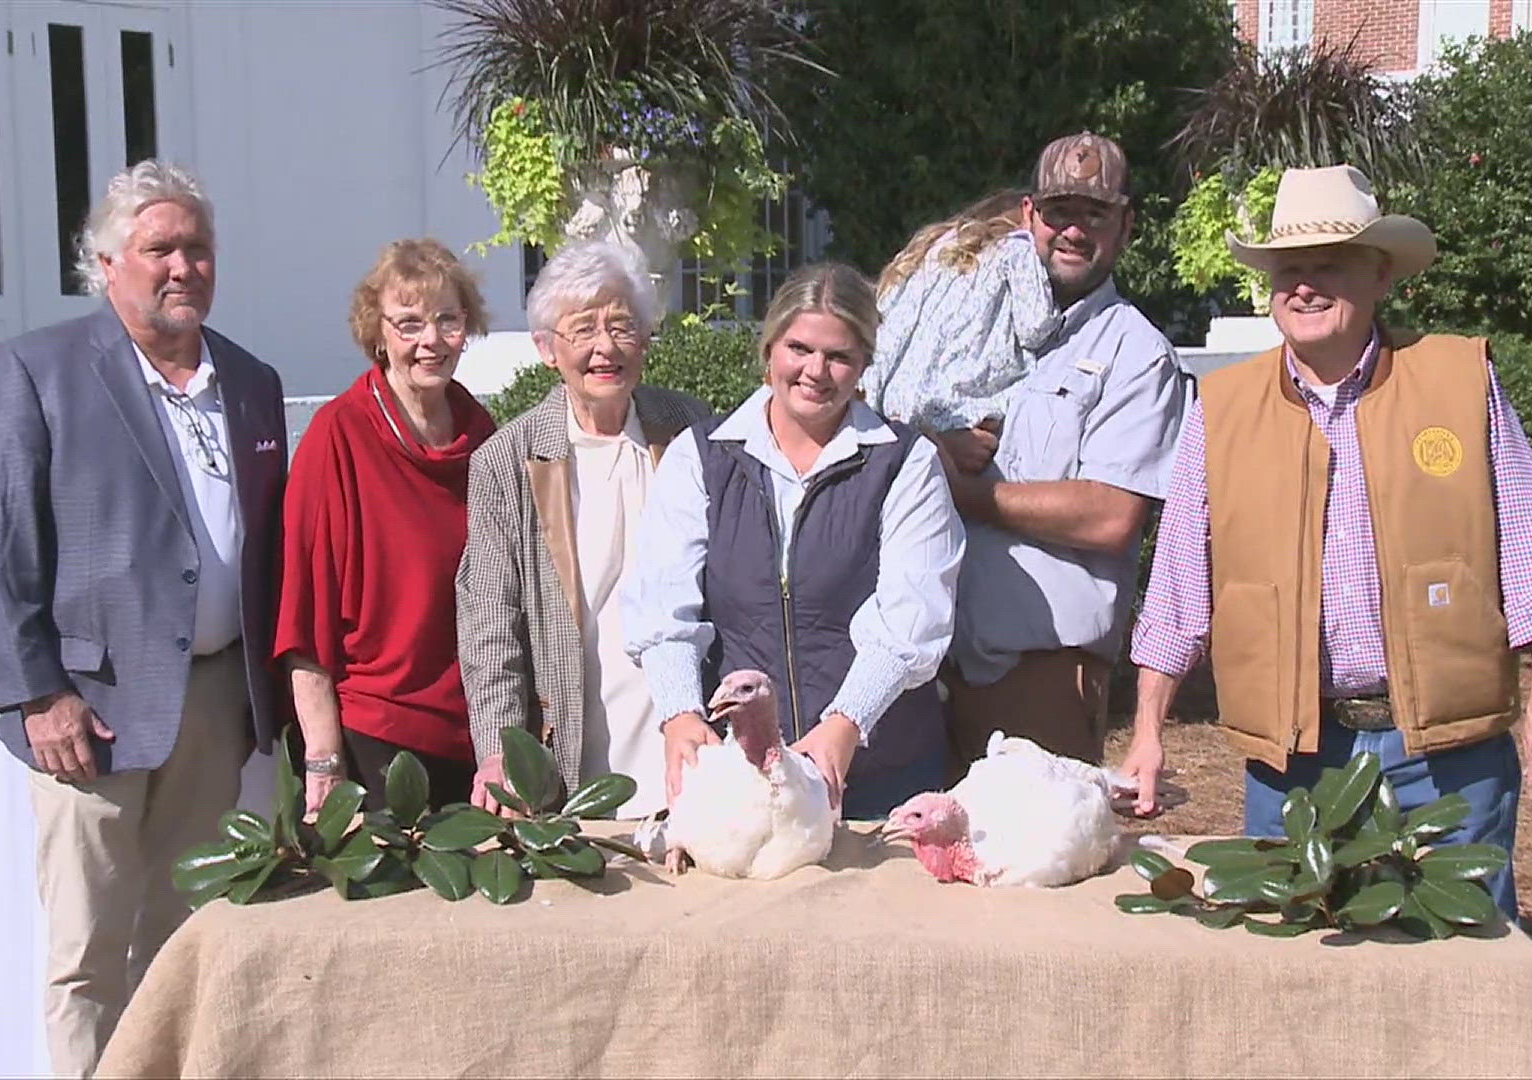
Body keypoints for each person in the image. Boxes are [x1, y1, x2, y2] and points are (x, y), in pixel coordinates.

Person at [1124, 164, 1532, 921]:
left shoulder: (1458, 379)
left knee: (1464, 964)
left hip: (1445, 751)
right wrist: (1147, 732)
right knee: (1299, 967)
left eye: (1329, 264)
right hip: (1295, 757)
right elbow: (1179, 591)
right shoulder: (1221, 410)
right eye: (1288, 269)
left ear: (1380, 275)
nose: (1304, 286)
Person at [0, 160, 286, 1077]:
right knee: (89, 951)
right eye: (159, 248)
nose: (183, 266)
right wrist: (36, 693)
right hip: (89, 711)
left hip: (218, 701)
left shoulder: (253, 382)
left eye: (198, 248)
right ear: (105, 264)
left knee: (188, 935)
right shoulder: (36, 369)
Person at [884, 132, 1191, 775]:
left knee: (1032, 864)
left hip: (1039, 681)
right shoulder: (978, 323)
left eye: (1094, 214)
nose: (1073, 231)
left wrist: (962, 493)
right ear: (1029, 217)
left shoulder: (1136, 354)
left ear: (1126, 225)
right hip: (921, 672)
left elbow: (1111, 515)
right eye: (1059, 214)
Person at [625, 262, 966, 819]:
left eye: (839, 356)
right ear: (769, 349)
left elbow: (913, 618)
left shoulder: (907, 463)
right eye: (799, 348)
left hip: (881, 772)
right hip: (749, 776)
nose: (816, 371)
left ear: (863, 366)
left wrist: (847, 722)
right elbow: (663, 604)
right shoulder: (701, 456)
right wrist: (682, 713)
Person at [457, 241, 710, 820]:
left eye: (621, 325)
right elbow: (489, 623)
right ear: (547, 349)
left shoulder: (693, 432)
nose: (604, 347)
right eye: (582, 330)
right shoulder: (507, 461)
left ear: (645, 340)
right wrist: (501, 752)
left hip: (687, 728)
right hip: (572, 738)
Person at [276, 239, 497, 813]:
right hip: (376, 737)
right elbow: (305, 615)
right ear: (378, 332)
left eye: (448, 319)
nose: (431, 340)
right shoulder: (338, 437)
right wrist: (323, 759)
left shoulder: (484, 434)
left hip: (476, 733)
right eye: (409, 323)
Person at [865, 189, 1064, 444]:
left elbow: (886, 313)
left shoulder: (931, 247)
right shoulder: (1016, 247)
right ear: (1027, 215)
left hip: (893, 406)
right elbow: (1036, 326)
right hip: (958, 410)